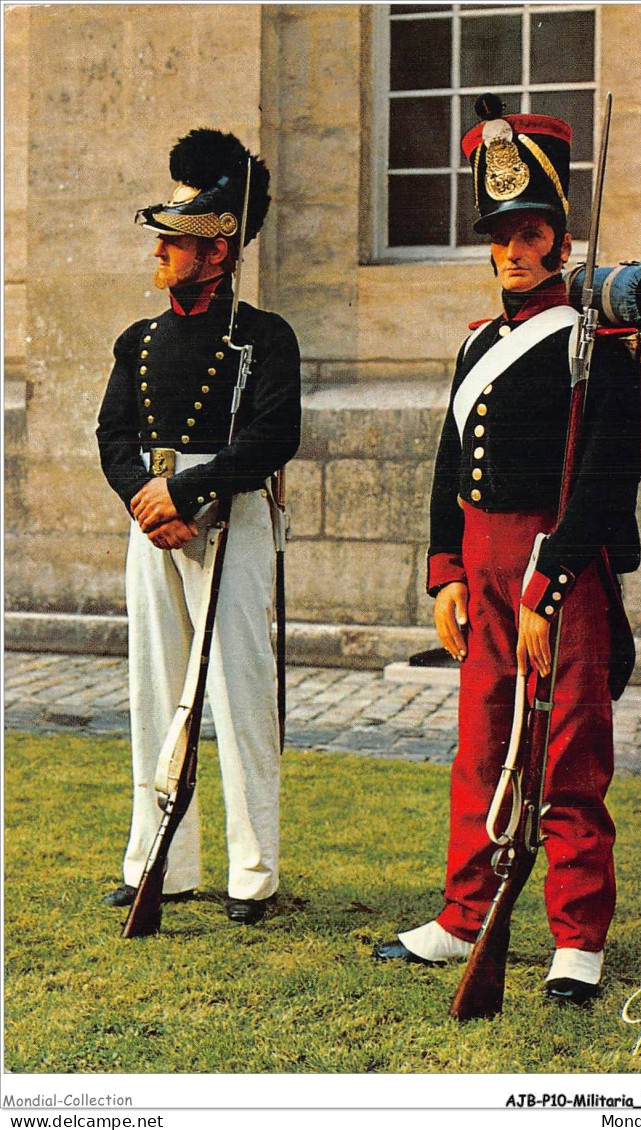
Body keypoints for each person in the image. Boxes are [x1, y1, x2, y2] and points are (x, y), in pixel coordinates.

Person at [374, 96, 641, 1001]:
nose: (516, 250)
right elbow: (452, 464)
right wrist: (445, 574)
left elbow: (604, 482)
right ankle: (463, 916)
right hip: (482, 568)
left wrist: (550, 584)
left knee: (566, 749)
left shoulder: (601, 344)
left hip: (554, 567)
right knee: (482, 742)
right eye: (502, 234)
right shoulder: (476, 344)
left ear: (560, 241)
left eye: (532, 233)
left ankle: (576, 940)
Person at [97, 128, 301, 925]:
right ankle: (160, 862)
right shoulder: (137, 340)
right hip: (153, 521)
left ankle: (253, 872)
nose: (159, 252)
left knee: (239, 691)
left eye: (172, 242)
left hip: (232, 518)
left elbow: (273, 436)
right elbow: (113, 436)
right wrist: (147, 501)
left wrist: (190, 492)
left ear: (215, 254)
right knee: (153, 690)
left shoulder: (265, 336)